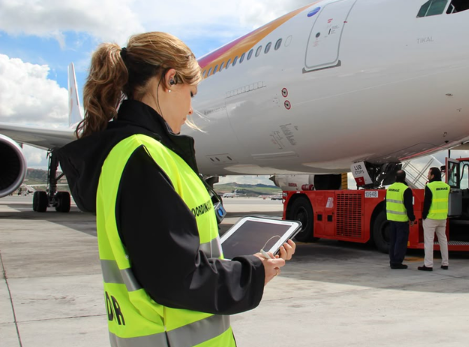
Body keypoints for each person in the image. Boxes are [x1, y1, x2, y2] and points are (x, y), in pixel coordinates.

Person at [57, 32, 295, 347]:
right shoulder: (144, 158)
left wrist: (239, 261)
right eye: (191, 93)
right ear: (170, 80)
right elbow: (177, 280)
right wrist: (254, 272)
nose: (192, 109)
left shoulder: (141, 153)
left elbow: (169, 256)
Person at [419, 167, 450, 271]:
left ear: (432, 176)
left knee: (429, 241)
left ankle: (428, 265)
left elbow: (427, 203)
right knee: (443, 240)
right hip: (442, 217)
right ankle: (445, 263)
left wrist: (424, 216)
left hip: (431, 218)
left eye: (429, 173)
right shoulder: (446, 186)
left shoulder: (429, 186)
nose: (427, 175)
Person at [385, 170, 415, 269]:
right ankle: (397, 262)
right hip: (401, 220)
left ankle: (392, 260)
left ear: (395, 178)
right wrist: (412, 218)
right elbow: (408, 206)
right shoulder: (406, 189)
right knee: (401, 241)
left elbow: (386, 203)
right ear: (404, 178)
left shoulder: (390, 188)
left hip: (391, 219)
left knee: (393, 241)